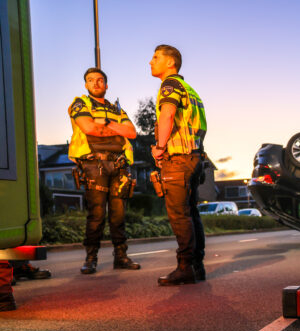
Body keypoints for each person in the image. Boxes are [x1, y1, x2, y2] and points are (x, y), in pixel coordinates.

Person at [68, 67, 141, 274]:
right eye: (91, 80)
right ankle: (91, 258)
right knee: (97, 214)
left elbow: (131, 132)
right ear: (86, 85)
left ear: (106, 85)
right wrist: (116, 131)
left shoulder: (116, 108)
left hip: (118, 165)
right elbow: (88, 128)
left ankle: (121, 256)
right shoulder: (80, 103)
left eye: (100, 80)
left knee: (119, 214)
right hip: (94, 165)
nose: (96, 83)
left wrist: (104, 123)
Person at [150, 44, 207, 286]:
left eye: (155, 58)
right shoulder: (190, 90)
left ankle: (185, 268)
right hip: (195, 158)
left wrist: (160, 147)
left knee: (179, 215)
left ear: (170, 63)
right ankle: (197, 267)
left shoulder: (169, 84)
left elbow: (168, 115)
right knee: (191, 213)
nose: (150, 62)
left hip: (178, 158)